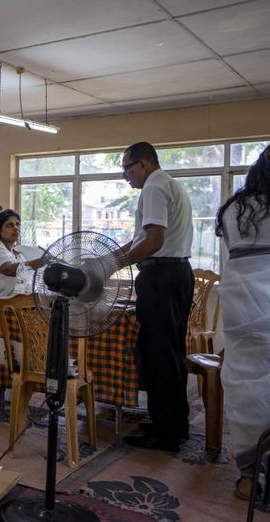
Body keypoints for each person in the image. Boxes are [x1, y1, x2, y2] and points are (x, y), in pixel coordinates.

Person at [215, 142, 270, 503]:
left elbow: (232, 259)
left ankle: (246, 477)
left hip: (241, 313)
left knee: (246, 390)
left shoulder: (234, 210)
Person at [116, 142, 194, 453]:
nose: (125, 175)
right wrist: (109, 260)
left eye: (127, 168)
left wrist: (116, 265)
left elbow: (153, 241)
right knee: (172, 352)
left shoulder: (153, 187)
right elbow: (141, 239)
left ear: (144, 164)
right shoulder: (171, 184)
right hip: (177, 274)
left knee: (157, 355)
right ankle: (175, 424)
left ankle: (165, 434)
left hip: (160, 276)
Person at [0, 209, 35, 413]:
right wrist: (38, 262)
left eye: (18, 224)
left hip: (13, 314)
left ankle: (9, 406)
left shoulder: (16, 252)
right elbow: (6, 269)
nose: (15, 228)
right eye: (10, 225)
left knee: (14, 361)